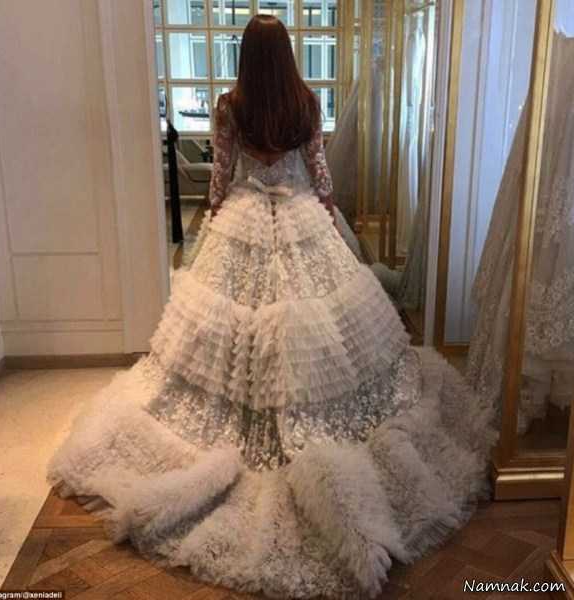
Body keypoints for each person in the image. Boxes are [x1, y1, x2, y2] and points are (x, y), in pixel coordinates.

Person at [48, 15, 496, 599]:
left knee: (226, 342)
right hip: (303, 215)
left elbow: (220, 180)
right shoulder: (305, 103)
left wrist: (214, 223)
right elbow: (321, 177)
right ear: (285, 54)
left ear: (246, 55)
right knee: (323, 336)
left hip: (242, 219)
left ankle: (245, 426)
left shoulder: (229, 106)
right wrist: (331, 221)